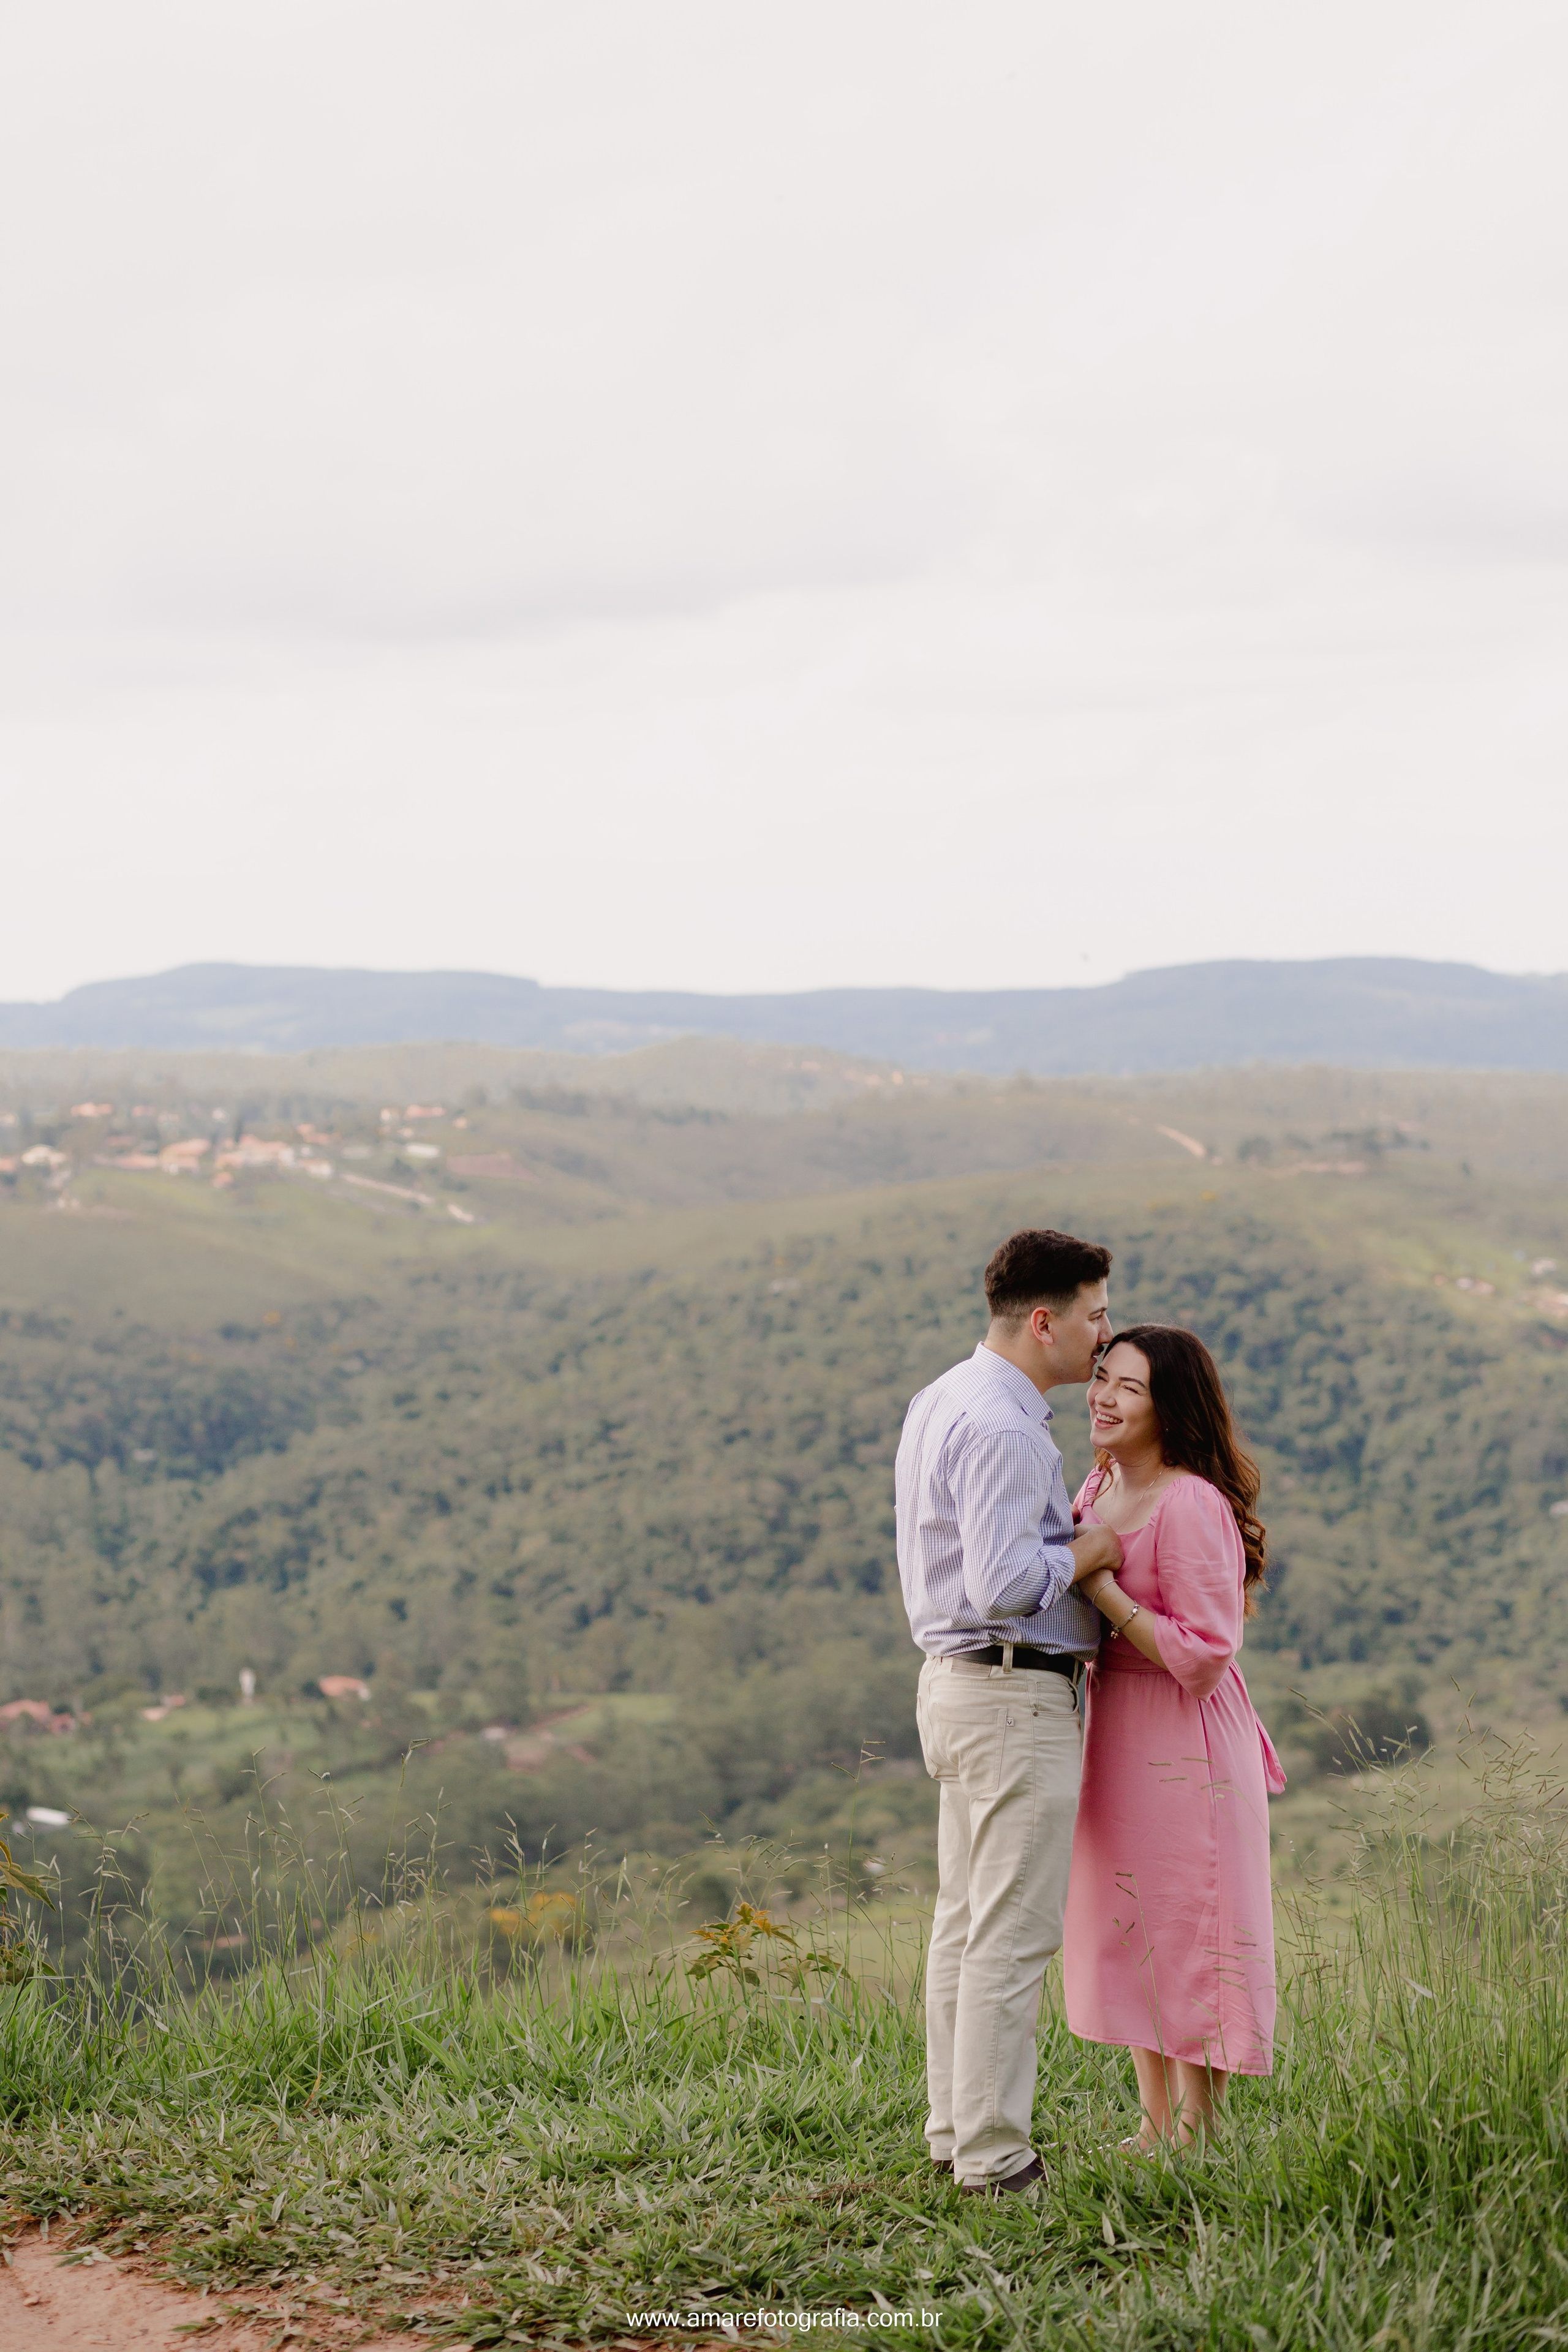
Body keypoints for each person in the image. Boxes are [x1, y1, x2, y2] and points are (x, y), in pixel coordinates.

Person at [895, 1227, 1125, 2194]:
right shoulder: (1001, 1425)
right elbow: (1002, 1583)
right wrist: (1091, 1550)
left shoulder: (944, 1395)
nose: (1105, 1339)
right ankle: (996, 2159)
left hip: (959, 1689)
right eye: (1095, 1316)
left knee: (966, 1921)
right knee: (1013, 1932)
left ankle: (957, 2133)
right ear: (1045, 1321)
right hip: (1009, 1690)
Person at [1064, 1325, 1286, 2147]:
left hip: (1185, 1731)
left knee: (1192, 1923)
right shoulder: (1096, 1488)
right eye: (1102, 1378)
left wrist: (1105, 1587)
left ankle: (1199, 2125)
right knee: (1132, 1922)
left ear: (1172, 1409)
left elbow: (1202, 1656)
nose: (1104, 1397)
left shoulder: (1189, 1501)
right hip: (1116, 1725)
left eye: (1130, 1387)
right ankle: (1156, 2122)